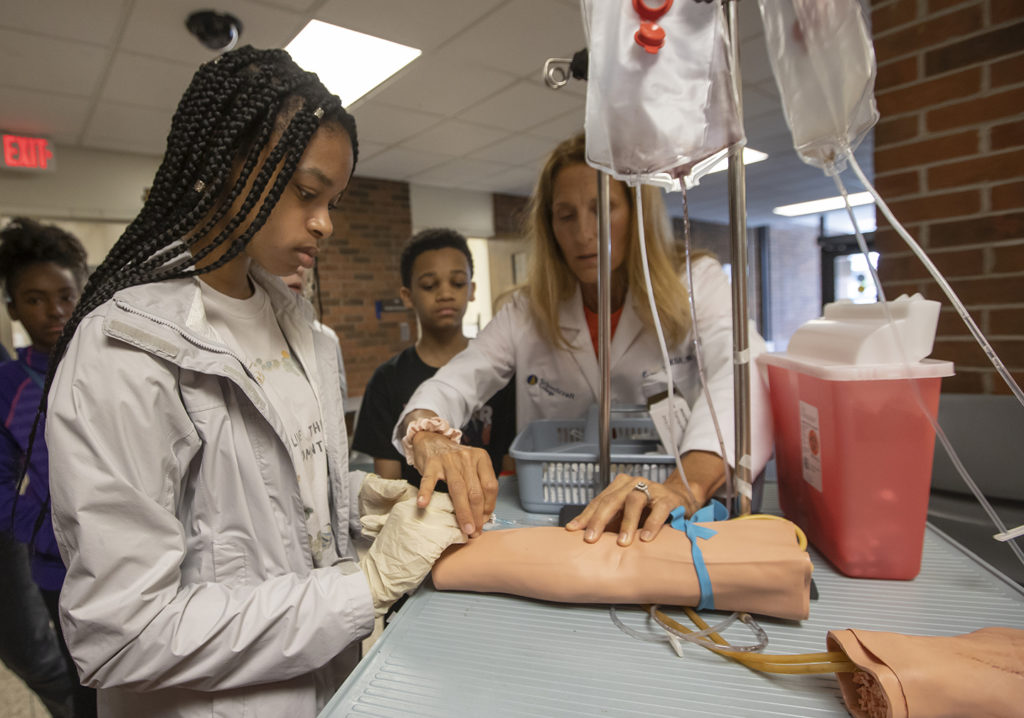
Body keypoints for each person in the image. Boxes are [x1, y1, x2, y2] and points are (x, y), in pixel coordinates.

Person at [41, 46, 464, 718]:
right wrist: (368, 586)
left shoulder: (308, 337)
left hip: (328, 687)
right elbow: (121, 634)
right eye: (306, 193)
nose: (325, 221)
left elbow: (253, 512)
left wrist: (351, 504)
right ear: (228, 167)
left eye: (334, 200)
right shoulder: (125, 352)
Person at [395, 132, 773, 545]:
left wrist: (688, 486)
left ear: (635, 211)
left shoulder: (695, 283)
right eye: (566, 215)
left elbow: (741, 373)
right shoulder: (528, 308)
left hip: (666, 511)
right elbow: (459, 378)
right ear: (550, 226)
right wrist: (425, 432)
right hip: (555, 517)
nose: (584, 233)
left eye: (602, 208)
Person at [0, 217, 92, 717]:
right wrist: (43, 533)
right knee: (86, 679)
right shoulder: (8, 384)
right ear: (13, 307)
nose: (54, 310)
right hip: (59, 572)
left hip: (141, 553)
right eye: (34, 299)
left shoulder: (110, 364)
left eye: (64, 295)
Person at [352, 228, 516, 486]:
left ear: (472, 290)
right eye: (430, 285)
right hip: (418, 515)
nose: (445, 294)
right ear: (407, 296)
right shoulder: (387, 380)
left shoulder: (499, 372)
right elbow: (387, 483)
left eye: (458, 283)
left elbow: (510, 466)